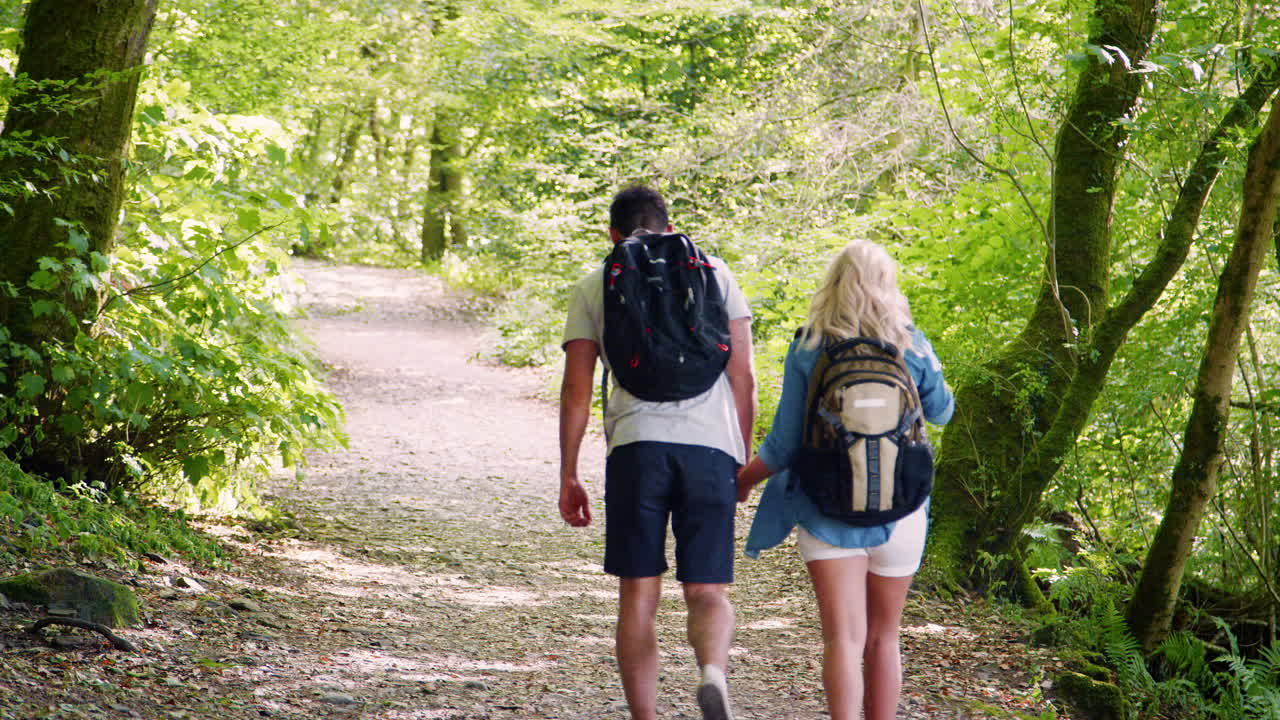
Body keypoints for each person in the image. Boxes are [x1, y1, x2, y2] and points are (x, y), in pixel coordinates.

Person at [558, 185, 756, 720]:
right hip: (710, 447)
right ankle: (712, 672)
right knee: (708, 591)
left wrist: (569, 473)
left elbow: (577, 389)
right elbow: (743, 378)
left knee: (638, 597)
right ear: (671, 226)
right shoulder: (715, 272)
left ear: (613, 234)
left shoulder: (596, 282)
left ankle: (645, 716)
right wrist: (739, 462)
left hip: (636, 448)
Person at [735, 239, 954, 720]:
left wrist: (744, 480)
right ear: (889, 288)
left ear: (832, 285)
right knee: (885, 636)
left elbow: (785, 443)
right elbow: (942, 412)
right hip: (902, 510)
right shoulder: (913, 343)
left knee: (843, 639)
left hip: (826, 507)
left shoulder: (808, 345)